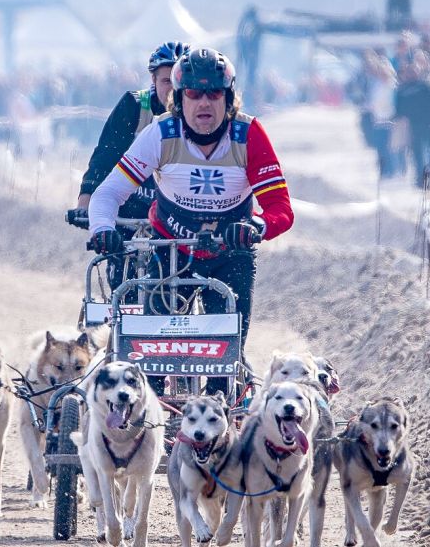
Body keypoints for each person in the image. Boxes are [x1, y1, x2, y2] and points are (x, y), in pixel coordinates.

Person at [87, 48, 294, 395]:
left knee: (225, 363)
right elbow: (107, 195)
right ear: (178, 99)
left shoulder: (249, 134)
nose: (204, 104)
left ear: (229, 99)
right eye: (194, 94)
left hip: (230, 255)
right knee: (148, 361)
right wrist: (103, 228)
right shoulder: (160, 133)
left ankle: (222, 409)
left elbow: (280, 207)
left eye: (214, 94)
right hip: (168, 252)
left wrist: (256, 226)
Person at [71, 41, 188, 295]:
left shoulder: (195, 114)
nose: (173, 90)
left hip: (173, 214)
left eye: (179, 81)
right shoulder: (135, 106)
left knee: (180, 284)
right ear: (153, 80)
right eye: (166, 81)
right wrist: (85, 203)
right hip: (129, 207)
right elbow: (104, 157)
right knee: (122, 283)